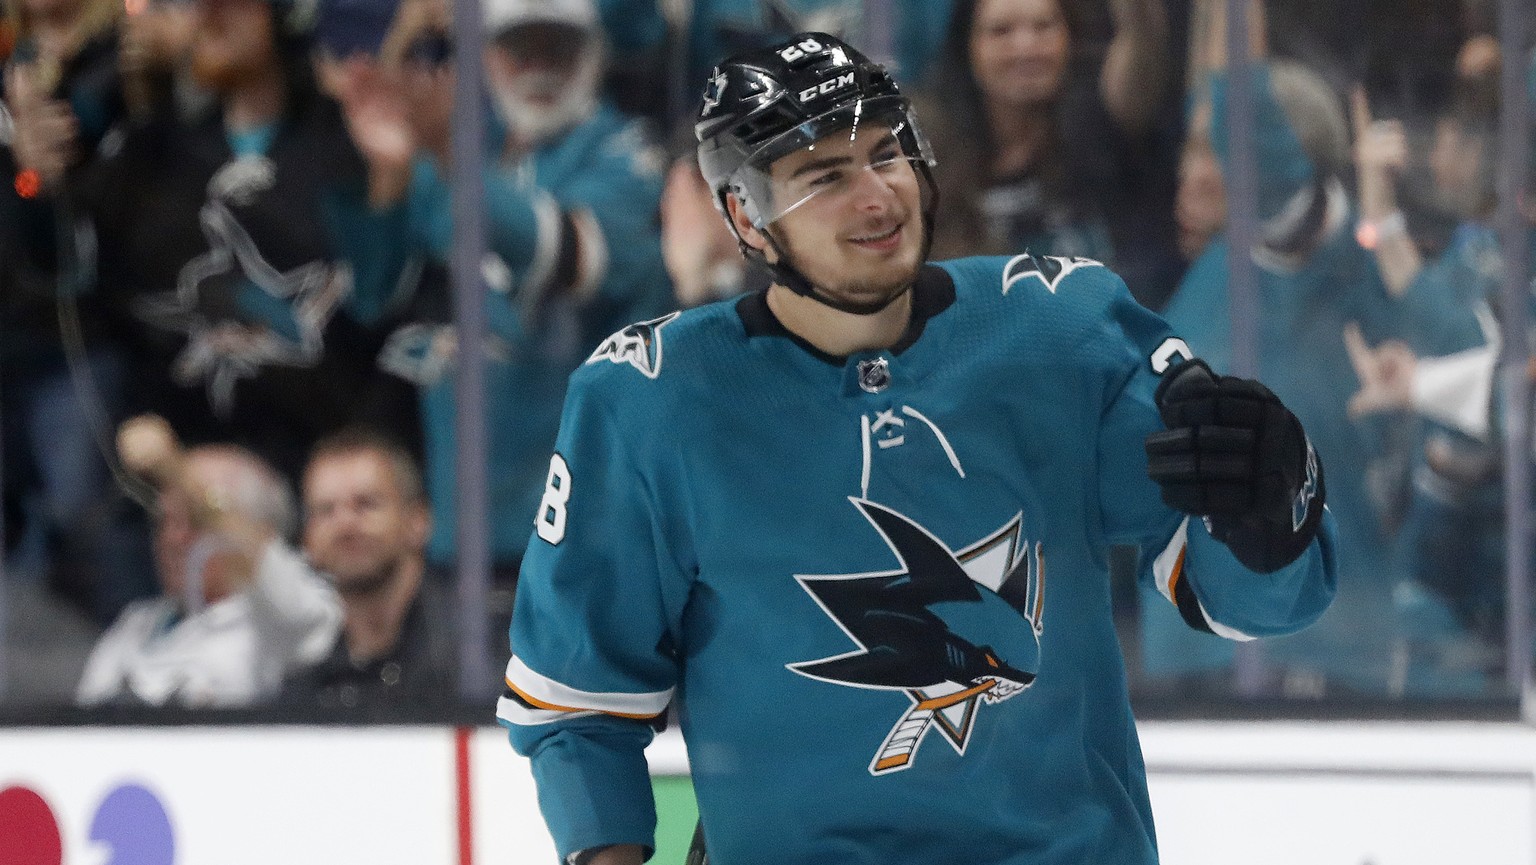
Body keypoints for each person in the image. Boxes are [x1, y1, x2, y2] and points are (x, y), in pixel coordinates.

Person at [496, 32, 1337, 864]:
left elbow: (1251, 605)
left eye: (887, 153)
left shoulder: (1063, 328)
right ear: (745, 218)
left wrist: (1276, 510)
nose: (878, 197)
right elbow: (576, 703)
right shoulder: (650, 399)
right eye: (824, 176)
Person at [329, 0, 672, 584]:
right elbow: (372, 296)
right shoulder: (467, 146)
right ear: (486, 55)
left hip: (586, 537)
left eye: (557, 47)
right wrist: (391, 170)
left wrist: (445, 154)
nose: (538, 67)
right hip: (458, 536)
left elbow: (565, 252)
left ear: (595, 52)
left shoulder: (624, 153)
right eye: (520, 47)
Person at [914, 0, 1183, 309]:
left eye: (1044, 27)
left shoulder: (1101, 129)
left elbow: (1140, 47)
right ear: (966, 46)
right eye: (1001, 32)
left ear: (1071, 37)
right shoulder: (932, 155)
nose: (1026, 47)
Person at [76, 415, 342, 708]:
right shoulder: (133, 625)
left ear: (258, 533)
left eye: (195, 522)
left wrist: (176, 472)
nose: (173, 539)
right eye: (165, 522)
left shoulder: (280, 622)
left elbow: (287, 593)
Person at [277, 427, 461, 714]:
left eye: (366, 505)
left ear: (418, 520)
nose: (345, 525)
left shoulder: (482, 655)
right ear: (307, 540)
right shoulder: (305, 688)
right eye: (326, 511)